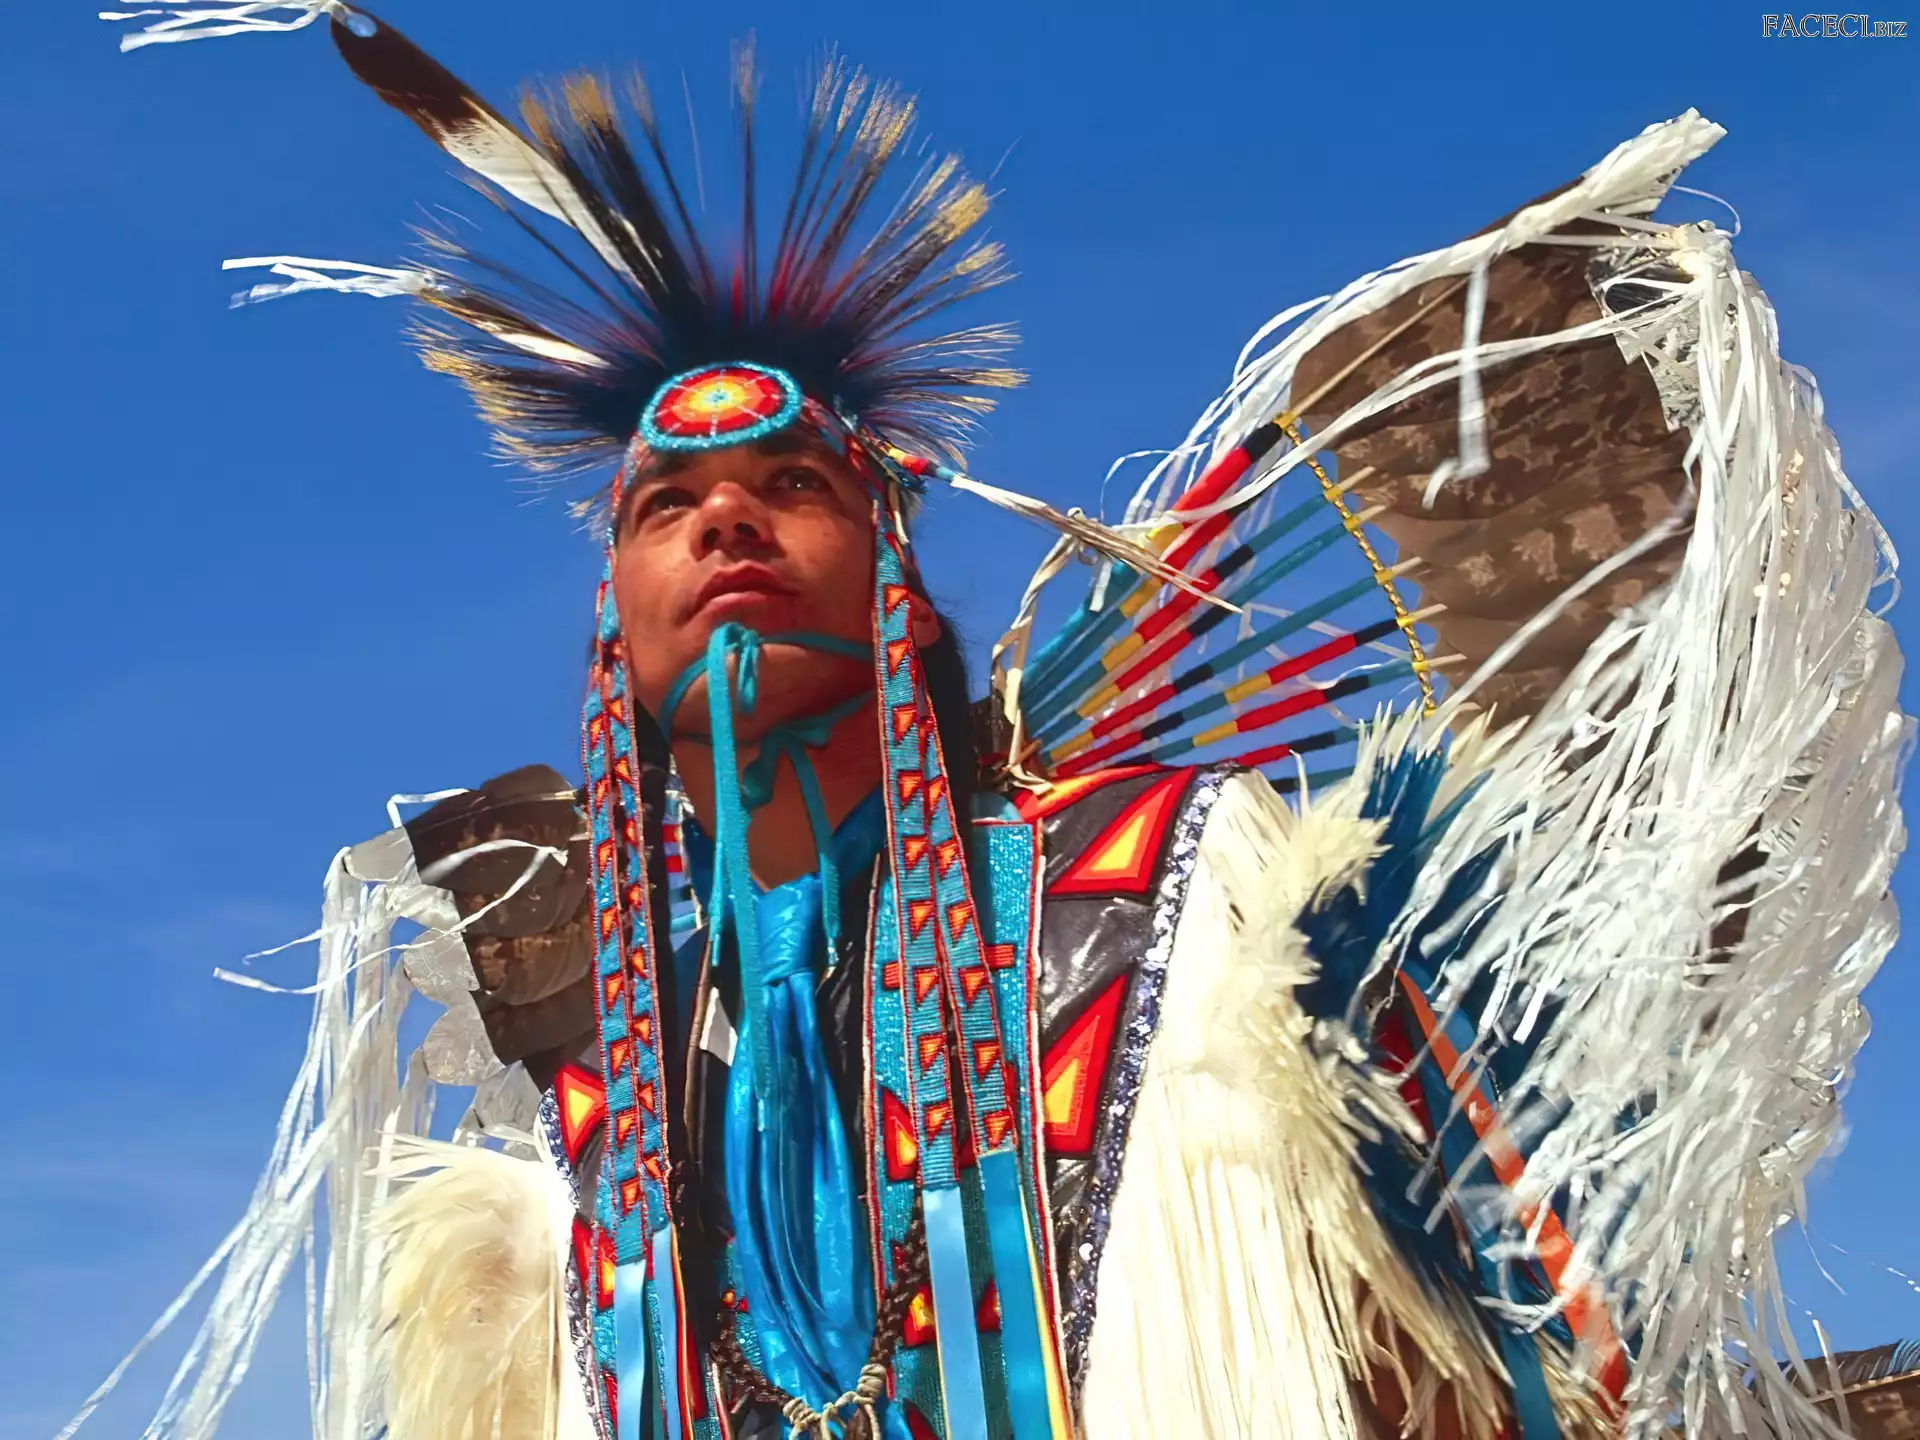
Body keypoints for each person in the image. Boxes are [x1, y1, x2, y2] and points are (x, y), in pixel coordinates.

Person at [73, 7, 1907, 1440]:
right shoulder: (578, 1139)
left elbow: (1502, 1347)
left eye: (794, 483)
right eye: (664, 505)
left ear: (899, 581)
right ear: (608, 620)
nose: (724, 521)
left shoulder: (1197, 921)